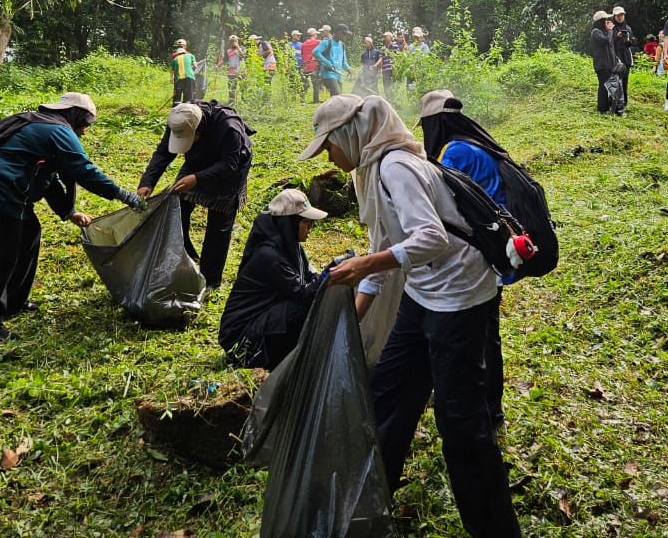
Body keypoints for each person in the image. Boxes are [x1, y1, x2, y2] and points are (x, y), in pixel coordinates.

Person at [300, 94, 522, 538]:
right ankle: (366, 504)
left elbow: (431, 240)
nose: (329, 155)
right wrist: (353, 317)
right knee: (390, 394)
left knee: (461, 425)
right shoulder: (371, 171)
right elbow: (380, 249)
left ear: (352, 134)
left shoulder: (395, 167)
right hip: (423, 295)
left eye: (329, 145)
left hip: (459, 298)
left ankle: (495, 529)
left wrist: (364, 266)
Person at [0, 93, 143, 344]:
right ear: (75, 115)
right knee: (0, 258)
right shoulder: (58, 131)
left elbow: (48, 178)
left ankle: (14, 302)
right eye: (86, 123)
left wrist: (69, 212)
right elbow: (84, 171)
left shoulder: (39, 124)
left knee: (29, 232)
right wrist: (124, 195)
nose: (84, 130)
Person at [417, 89, 510, 425]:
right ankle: (491, 404)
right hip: (498, 246)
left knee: (483, 335)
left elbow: (447, 207)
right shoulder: (476, 142)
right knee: (489, 334)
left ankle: (486, 407)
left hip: (482, 254)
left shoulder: (455, 152)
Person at [137, 99, 255, 289]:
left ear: (199, 130)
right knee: (176, 208)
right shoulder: (179, 119)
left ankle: (210, 279)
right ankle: (185, 256)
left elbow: (230, 164)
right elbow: (163, 153)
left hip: (229, 170)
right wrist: (147, 182)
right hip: (198, 162)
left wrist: (197, 179)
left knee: (219, 225)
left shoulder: (228, 127)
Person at [218, 189, 327, 369]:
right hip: (239, 338)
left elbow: (309, 277)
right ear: (288, 224)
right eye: (306, 222)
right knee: (298, 310)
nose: (310, 228)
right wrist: (328, 273)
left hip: (261, 319)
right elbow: (305, 294)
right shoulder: (269, 256)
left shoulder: (292, 249)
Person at [590, 10, 621, 114]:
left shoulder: (605, 32)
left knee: (610, 85)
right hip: (602, 64)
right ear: (601, 21)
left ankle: (607, 107)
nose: (608, 22)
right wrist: (610, 30)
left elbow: (611, 47)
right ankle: (601, 109)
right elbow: (605, 41)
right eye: (606, 20)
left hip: (609, 63)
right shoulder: (596, 32)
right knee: (603, 85)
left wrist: (616, 59)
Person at [610, 5, 637, 110]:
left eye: (622, 15)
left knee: (625, 81)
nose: (620, 17)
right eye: (618, 15)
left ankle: (624, 102)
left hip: (626, 57)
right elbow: (609, 42)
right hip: (615, 56)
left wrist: (631, 41)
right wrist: (617, 36)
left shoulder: (628, 28)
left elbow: (630, 44)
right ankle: (614, 102)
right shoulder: (610, 27)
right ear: (614, 16)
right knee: (616, 80)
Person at [313, 23, 351, 97]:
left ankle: (330, 108)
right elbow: (315, 52)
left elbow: (343, 62)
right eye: (344, 33)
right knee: (337, 95)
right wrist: (327, 63)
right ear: (338, 32)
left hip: (338, 75)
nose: (345, 36)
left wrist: (349, 69)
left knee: (339, 98)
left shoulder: (342, 45)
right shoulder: (327, 42)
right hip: (328, 74)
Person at [170, 38, 197, 105]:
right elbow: (195, 66)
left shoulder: (174, 58)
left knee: (177, 98)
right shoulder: (190, 55)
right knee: (189, 98)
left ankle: (176, 110)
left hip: (179, 79)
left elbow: (172, 71)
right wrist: (190, 70)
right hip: (190, 78)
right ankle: (187, 110)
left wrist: (171, 78)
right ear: (185, 47)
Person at [301, 27, 322, 104]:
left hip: (305, 65)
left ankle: (302, 99)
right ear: (314, 34)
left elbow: (302, 54)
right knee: (315, 84)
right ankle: (316, 100)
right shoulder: (318, 42)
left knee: (304, 84)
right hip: (314, 65)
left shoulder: (303, 44)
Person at [221, 34, 245, 101]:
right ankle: (232, 102)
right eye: (232, 41)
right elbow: (224, 60)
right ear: (230, 42)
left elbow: (244, 56)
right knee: (231, 88)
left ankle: (244, 101)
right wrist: (218, 66)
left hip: (241, 71)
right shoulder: (228, 51)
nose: (233, 42)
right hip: (231, 72)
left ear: (237, 41)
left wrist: (238, 47)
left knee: (243, 87)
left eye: (235, 40)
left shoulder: (242, 49)